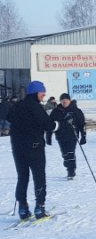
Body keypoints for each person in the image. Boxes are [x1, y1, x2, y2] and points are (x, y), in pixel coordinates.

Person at [9, 81, 60, 219]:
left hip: (18, 148)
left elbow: (8, 117)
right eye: (42, 92)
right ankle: (40, 207)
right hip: (34, 147)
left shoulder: (18, 105)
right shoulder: (35, 106)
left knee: (22, 177)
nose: (44, 94)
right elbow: (47, 125)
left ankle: (23, 208)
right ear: (35, 93)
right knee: (39, 177)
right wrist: (57, 124)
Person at [47, 93, 86, 179]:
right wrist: (48, 136)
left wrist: (83, 135)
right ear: (60, 101)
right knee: (65, 154)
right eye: (62, 100)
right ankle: (68, 165)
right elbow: (50, 124)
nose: (64, 101)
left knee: (70, 152)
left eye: (66, 100)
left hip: (73, 135)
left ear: (69, 101)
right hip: (60, 136)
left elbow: (82, 124)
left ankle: (71, 171)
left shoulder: (76, 111)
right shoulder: (56, 111)